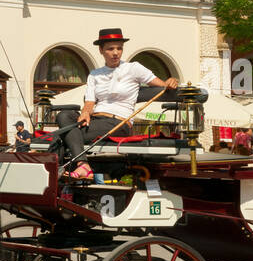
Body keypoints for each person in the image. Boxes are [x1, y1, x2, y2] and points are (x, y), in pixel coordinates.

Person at [62, 28, 178, 178]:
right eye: (110, 49)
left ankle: (79, 167)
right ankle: (76, 169)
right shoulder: (94, 74)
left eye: (119, 48)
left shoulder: (133, 68)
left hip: (119, 122)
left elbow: (163, 86)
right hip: (97, 120)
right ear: (101, 50)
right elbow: (90, 102)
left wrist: (171, 81)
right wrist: (85, 113)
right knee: (64, 116)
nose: (116, 53)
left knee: (61, 138)